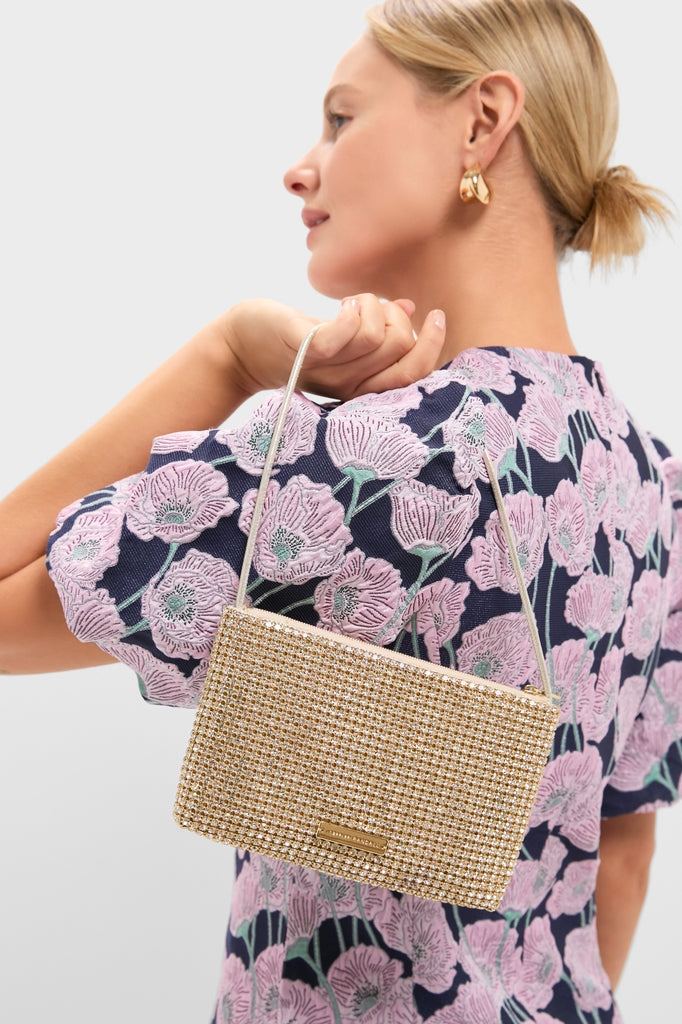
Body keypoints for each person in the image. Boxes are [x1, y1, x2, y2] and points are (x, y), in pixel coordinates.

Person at [1, 0, 680, 1020]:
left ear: (481, 120)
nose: (301, 166)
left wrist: (225, 353)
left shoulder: (376, 457)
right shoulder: (647, 475)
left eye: (340, 117)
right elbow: (621, 846)